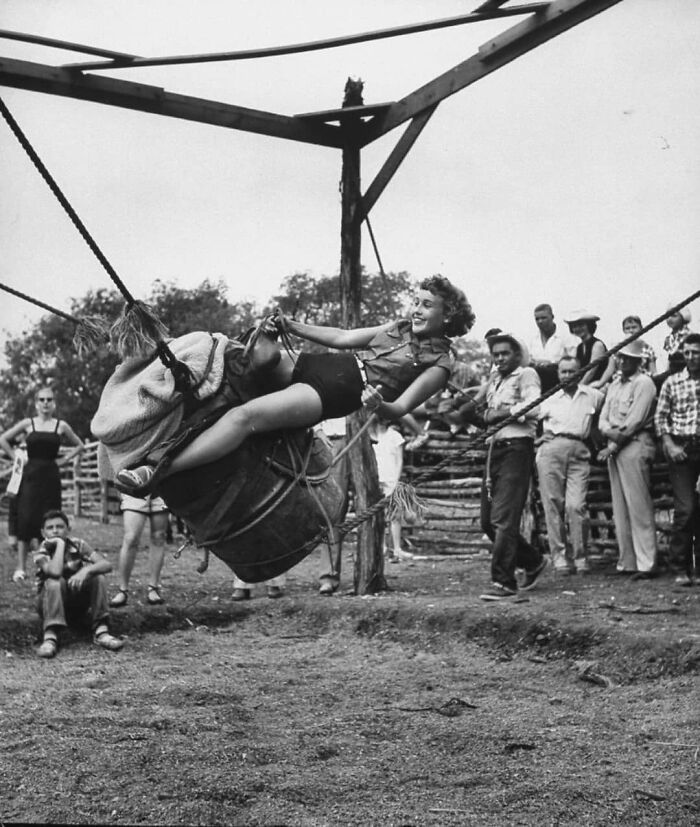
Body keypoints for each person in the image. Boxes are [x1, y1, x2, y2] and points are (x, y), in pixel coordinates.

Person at [116, 276, 475, 494]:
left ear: (449, 316)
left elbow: (400, 409)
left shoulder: (440, 364)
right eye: (416, 301)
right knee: (247, 359)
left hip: (340, 390)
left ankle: (159, 470)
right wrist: (290, 326)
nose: (416, 309)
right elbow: (343, 336)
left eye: (427, 305)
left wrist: (379, 403)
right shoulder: (398, 326)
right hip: (323, 365)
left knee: (245, 417)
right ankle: (150, 420)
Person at [449, 333, 548, 600]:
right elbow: (482, 413)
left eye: (505, 353)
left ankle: (504, 582)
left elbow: (535, 407)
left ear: (516, 355)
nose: (500, 358)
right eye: (496, 354)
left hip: (517, 448)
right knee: (487, 521)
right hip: (495, 449)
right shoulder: (494, 380)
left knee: (504, 518)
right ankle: (532, 561)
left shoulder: (526, 375)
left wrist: (497, 415)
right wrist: (467, 409)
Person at [0, 387, 84, 583]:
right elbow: (3, 439)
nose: (46, 403)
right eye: (42, 400)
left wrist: (64, 461)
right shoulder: (28, 424)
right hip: (29, 476)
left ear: (54, 403)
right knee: (26, 519)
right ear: (36, 403)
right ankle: (20, 568)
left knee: (51, 521)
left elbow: (79, 445)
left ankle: (47, 567)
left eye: (49, 400)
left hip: (51, 478)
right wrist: (16, 458)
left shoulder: (61, 426)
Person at [536, 356, 604, 575]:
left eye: (572, 371)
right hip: (552, 450)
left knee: (576, 505)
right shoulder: (549, 398)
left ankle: (581, 556)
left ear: (580, 371)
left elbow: (607, 410)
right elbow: (527, 418)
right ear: (558, 374)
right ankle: (559, 557)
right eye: (563, 372)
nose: (568, 376)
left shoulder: (592, 395)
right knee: (553, 503)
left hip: (579, 451)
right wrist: (537, 439)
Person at [597, 340, 658, 578]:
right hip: (617, 446)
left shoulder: (644, 384)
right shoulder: (614, 385)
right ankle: (628, 562)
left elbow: (633, 422)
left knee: (638, 504)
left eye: (627, 358)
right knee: (620, 506)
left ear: (638, 361)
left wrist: (613, 441)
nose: (621, 362)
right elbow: (603, 418)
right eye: (619, 358)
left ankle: (647, 563)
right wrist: (611, 435)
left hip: (635, 445)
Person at [33, 509, 124, 658]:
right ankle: (50, 635)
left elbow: (106, 564)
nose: (55, 531)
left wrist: (86, 571)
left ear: (68, 529)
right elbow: (55, 572)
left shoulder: (78, 544)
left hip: (75, 600)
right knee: (55, 581)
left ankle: (101, 630)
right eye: (50, 528)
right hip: (49, 603)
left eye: (60, 527)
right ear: (43, 532)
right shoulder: (41, 551)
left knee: (98, 577)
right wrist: (60, 545)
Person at [654, 333, 700, 585]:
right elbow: (661, 418)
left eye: (696, 352)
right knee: (685, 508)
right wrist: (670, 445)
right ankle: (679, 567)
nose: (691, 357)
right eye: (688, 352)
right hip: (681, 450)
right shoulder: (672, 382)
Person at [109, 494, 169, 608]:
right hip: (135, 485)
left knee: (159, 536)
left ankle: (153, 587)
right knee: (131, 537)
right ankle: (123, 590)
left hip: (160, 486)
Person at [592, 315, 657, 389]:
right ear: (623, 330)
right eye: (627, 328)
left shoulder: (648, 348)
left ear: (640, 328)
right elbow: (610, 369)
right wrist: (601, 383)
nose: (631, 330)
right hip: (620, 382)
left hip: (640, 383)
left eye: (634, 327)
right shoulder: (617, 348)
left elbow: (653, 371)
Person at [528, 303, 578, 392]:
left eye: (543, 318)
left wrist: (552, 363)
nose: (540, 321)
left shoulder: (566, 337)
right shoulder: (533, 340)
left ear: (552, 317)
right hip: (536, 380)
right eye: (537, 319)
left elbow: (575, 361)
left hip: (558, 379)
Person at [564, 310, 608, 385]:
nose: (577, 329)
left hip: (598, 385)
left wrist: (580, 386)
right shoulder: (579, 347)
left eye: (581, 325)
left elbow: (591, 370)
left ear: (589, 325)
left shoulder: (597, 345)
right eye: (574, 326)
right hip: (586, 385)